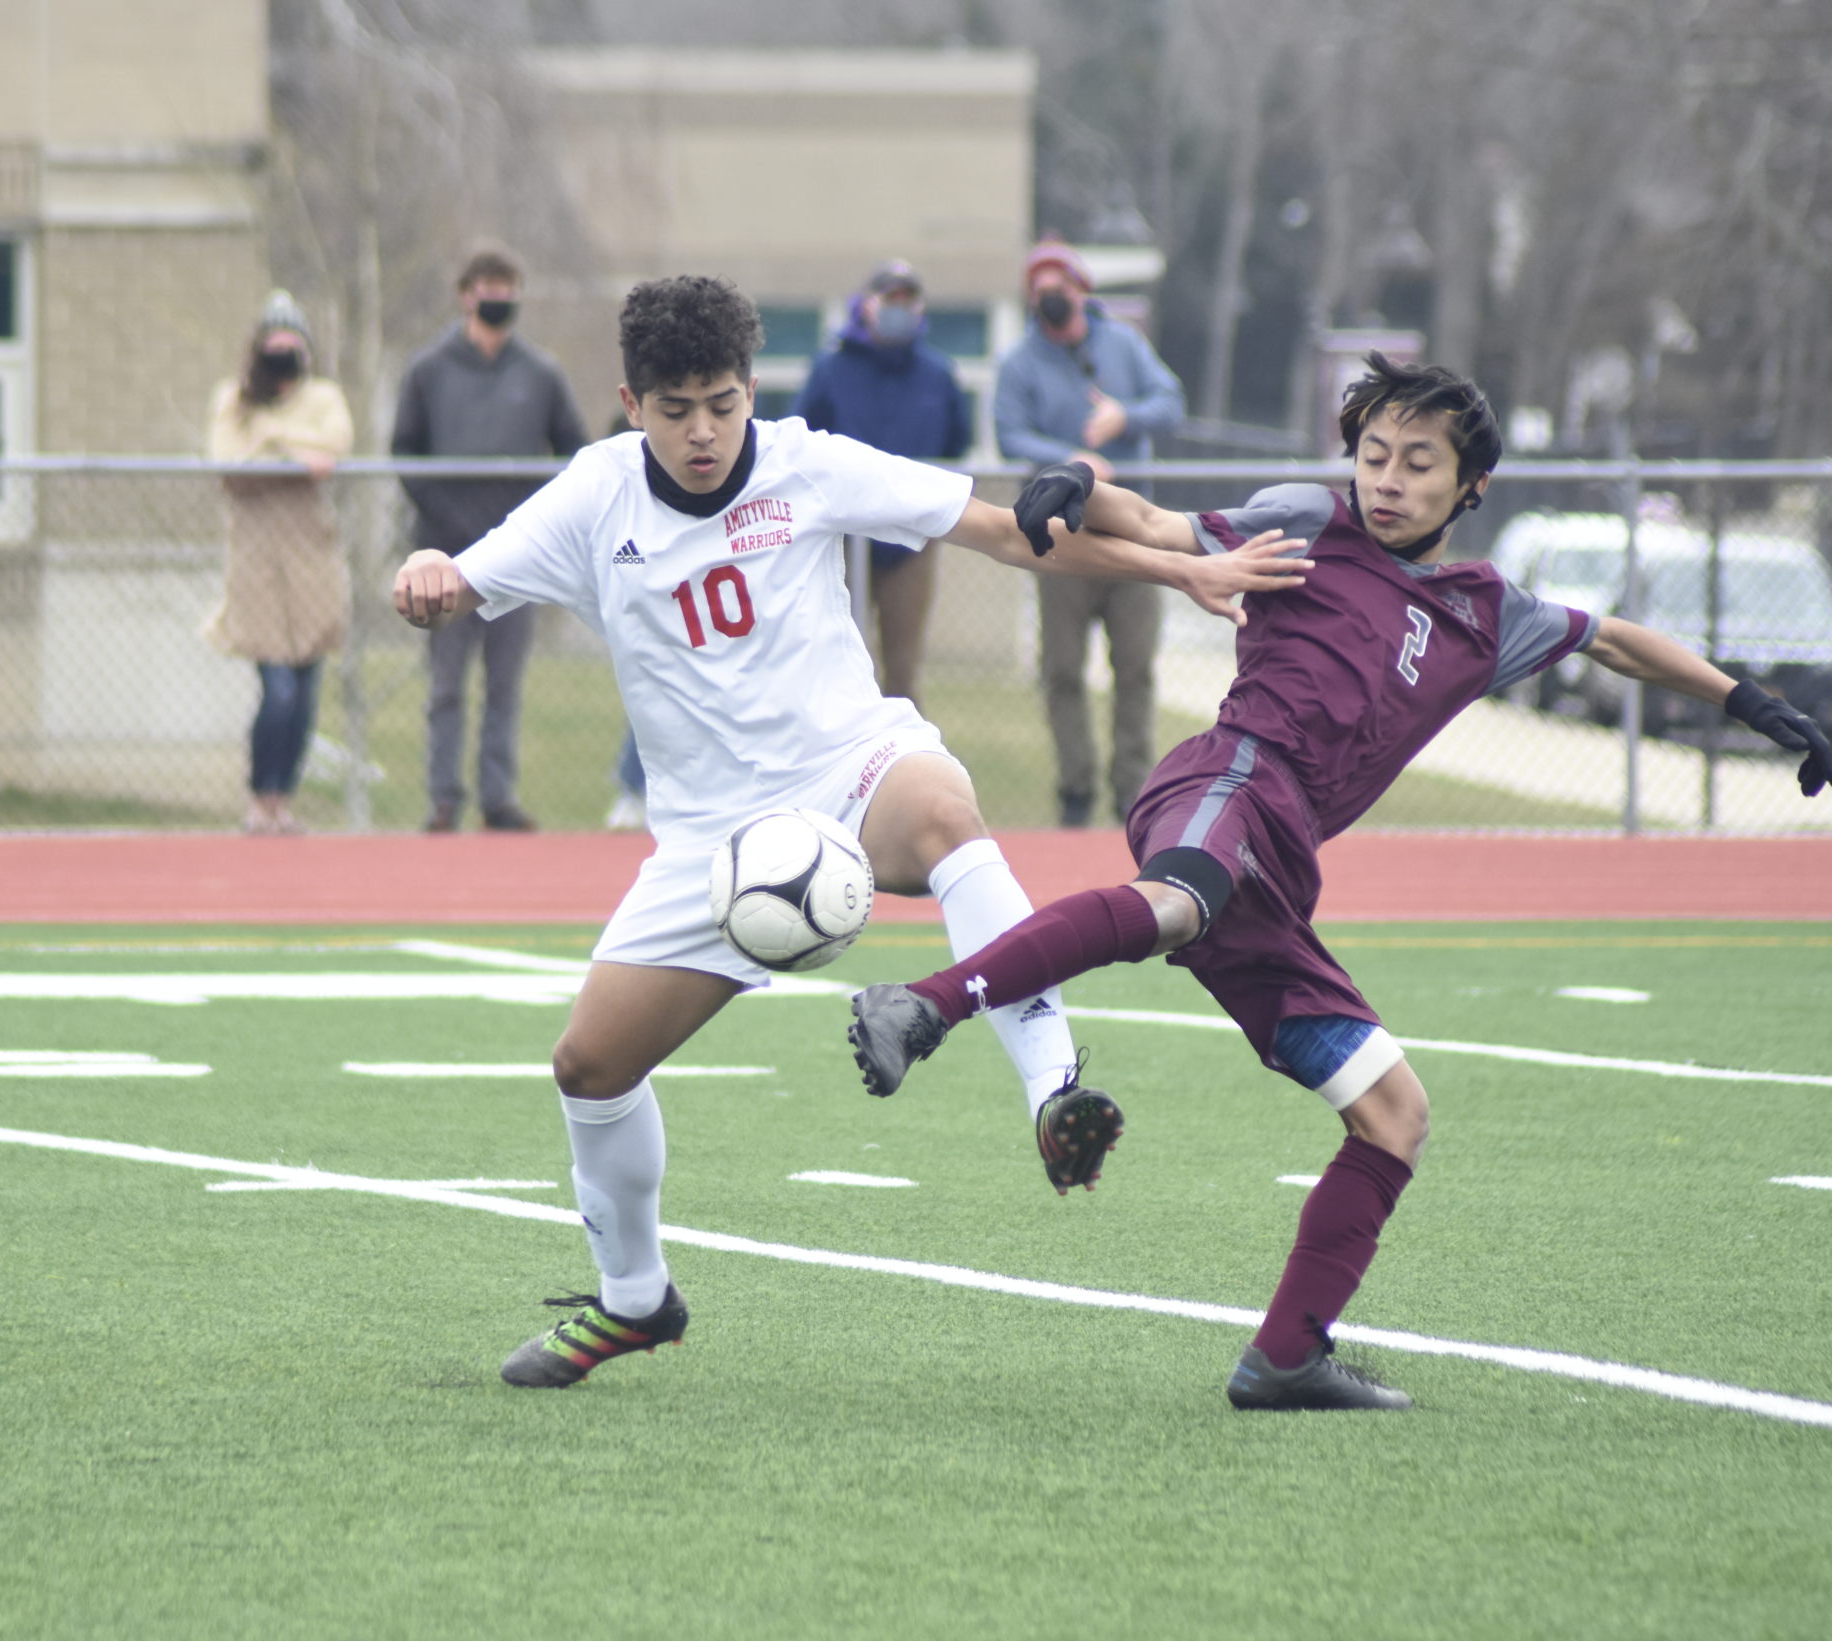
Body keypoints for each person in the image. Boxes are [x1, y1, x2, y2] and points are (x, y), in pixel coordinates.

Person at [849, 352, 1832, 1412]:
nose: (1387, 478)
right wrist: (1079, 481)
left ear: (1471, 489)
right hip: (1226, 782)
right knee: (1178, 899)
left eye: (1418, 463)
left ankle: (1283, 1359)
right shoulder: (1307, 523)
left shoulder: (1484, 611)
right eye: (1374, 454)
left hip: (1280, 869)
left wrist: (1752, 704)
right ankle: (923, 1005)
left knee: (1394, 1114)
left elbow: (1619, 645)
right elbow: (1148, 523)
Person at [392, 275, 1310, 1389]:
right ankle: (635, 1300)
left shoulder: (806, 462)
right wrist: (429, 576)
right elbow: (464, 575)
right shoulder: (592, 500)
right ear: (630, 402)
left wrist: (1186, 568)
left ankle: (1053, 1089)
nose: (702, 432)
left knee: (942, 809)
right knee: (588, 1066)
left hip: (849, 769)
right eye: (675, 408)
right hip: (712, 851)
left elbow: (1003, 533)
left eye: (722, 404)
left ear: (749, 393)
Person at [392, 247, 589, 832]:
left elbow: (575, 452)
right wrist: (448, 522)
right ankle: (443, 798)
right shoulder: (427, 371)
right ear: (466, 293)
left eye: (509, 287)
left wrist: (531, 526)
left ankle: (498, 797)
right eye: (489, 287)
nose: (499, 298)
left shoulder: (541, 373)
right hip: (445, 556)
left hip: (516, 558)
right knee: (446, 684)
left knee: (505, 685)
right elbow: (404, 453)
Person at [994, 238, 1188, 826]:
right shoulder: (1019, 362)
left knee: (1135, 668)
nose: (1051, 296)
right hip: (1062, 539)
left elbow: (1171, 401)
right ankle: (1074, 790)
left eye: (1061, 285)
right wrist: (1071, 459)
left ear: (1081, 289)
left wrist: (1124, 416)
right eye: (1040, 288)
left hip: (1133, 537)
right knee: (1061, 671)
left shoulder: (1123, 344)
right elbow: (1010, 436)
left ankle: (1133, 793)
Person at [202, 290, 355, 834]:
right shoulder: (234, 399)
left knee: (306, 688)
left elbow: (334, 446)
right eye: (276, 344)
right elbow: (229, 464)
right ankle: (259, 796)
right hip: (257, 561)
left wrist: (275, 441)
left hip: (311, 557)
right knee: (278, 690)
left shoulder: (323, 398)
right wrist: (293, 456)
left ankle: (283, 801)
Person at [792, 259, 973, 706]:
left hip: (911, 537)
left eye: (907, 300)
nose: (899, 308)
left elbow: (958, 439)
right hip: (843, 537)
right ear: (867, 305)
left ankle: (907, 767)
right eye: (890, 299)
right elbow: (801, 438)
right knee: (841, 662)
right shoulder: (832, 369)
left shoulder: (937, 374)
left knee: (903, 671)